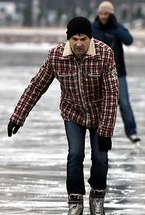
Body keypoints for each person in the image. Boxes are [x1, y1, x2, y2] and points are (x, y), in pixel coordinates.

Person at [7, 17, 119, 215]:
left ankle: (97, 196)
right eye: (74, 38)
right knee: (75, 154)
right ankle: (75, 201)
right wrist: (18, 116)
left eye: (83, 39)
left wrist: (106, 131)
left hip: (100, 113)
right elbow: (37, 86)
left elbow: (112, 94)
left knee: (100, 158)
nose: (78, 43)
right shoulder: (56, 56)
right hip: (72, 113)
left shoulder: (105, 54)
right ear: (68, 39)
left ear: (90, 39)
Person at [92, 1, 140, 144]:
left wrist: (116, 26)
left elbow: (129, 40)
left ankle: (132, 132)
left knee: (124, 103)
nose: (103, 16)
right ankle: (101, 134)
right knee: (100, 105)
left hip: (118, 73)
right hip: (98, 74)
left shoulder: (117, 28)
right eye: (101, 13)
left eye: (106, 14)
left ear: (111, 15)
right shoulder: (92, 27)